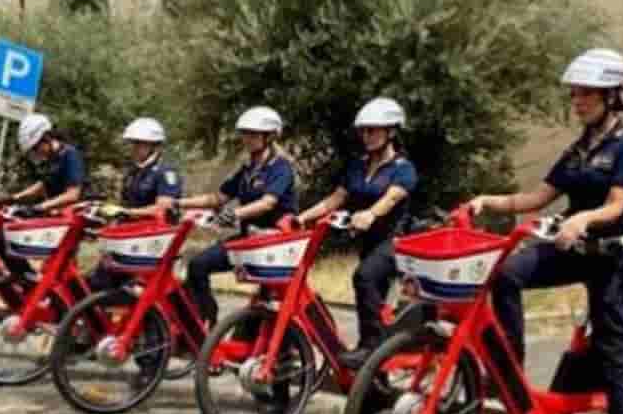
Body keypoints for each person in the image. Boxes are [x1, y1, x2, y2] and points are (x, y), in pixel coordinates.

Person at [470, 48, 623, 414]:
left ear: (611, 95)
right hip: (573, 248)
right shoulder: (578, 150)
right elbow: (536, 197)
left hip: (610, 257)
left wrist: (583, 219)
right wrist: (488, 201)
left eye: (585, 94)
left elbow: (617, 205)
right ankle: (511, 373)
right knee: (507, 274)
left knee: (614, 353)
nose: (577, 102)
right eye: (574, 95)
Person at [298, 97, 416, 368]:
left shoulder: (403, 168)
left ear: (391, 132)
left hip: (395, 241)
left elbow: (392, 198)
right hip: (370, 243)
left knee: (364, 277)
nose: (367, 136)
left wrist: (371, 214)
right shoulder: (358, 165)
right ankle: (376, 369)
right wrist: (302, 217)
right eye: (364, 130)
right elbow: (335, 199)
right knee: (370, 289)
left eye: (373, 130)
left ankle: (370, 349)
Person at [173, 106, 297, 328]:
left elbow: (268, 202)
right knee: (197, 265)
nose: (247, 139)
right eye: (245, 134)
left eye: (253, 134)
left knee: (270, 301)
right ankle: (206, 322)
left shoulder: (281, 168)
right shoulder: (247, 170)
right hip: (248, 240)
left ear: (269, 137)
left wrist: (234, 213)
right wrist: (179, 203)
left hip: (274, 243)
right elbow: (216, 198)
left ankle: (284, 349)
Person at [88, 117, 184, 293]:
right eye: (133, 144)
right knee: (98, 282)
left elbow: (162, 208)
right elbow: (126, 203)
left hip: (153, 242)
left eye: (140, 144)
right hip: (131, 237)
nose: (134, 148)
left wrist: (128, 212)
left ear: (154, 145)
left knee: (133, 291)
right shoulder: (133, 171)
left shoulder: (166, 172)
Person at [0, 112, 88, 279]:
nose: (36, 152)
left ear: (46, 138)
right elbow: (43, 185)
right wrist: (15, 197)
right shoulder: (52, 158)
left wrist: (40, 207)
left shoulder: (70, 155)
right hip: (55, 219)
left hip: (70, 220)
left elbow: (73, 194)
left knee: (59, 271)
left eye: (35, 147)